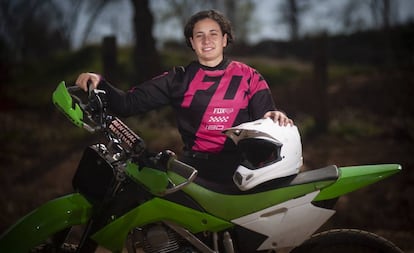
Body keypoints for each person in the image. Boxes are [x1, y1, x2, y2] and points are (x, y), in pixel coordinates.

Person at [75, 9, 293, 183]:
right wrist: (99, 81)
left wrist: (276, 115)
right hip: (194, 170)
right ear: (191, 42)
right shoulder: (177, 79)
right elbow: (126, 104)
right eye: (199, 35)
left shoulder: (249, 76)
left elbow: (267, 120)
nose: (206, 40)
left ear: (225, 39)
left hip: (241, 169)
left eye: (213, 34)